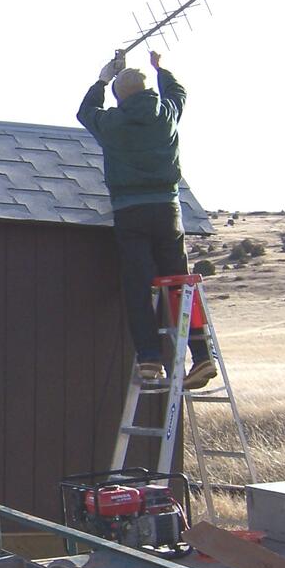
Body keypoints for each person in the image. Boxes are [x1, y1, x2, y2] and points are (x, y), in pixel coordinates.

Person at [76, 49, 216, 390]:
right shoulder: (166, 115)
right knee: (180, 284)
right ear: (147, 91)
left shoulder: (112, 124)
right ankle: (201, 355)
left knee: (139, 285)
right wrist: (161, 68)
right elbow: (178, 94)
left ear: (119, 97)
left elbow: (85, 112)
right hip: (168, 210)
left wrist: (102, 78)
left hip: (130, 212)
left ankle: (151, 360)